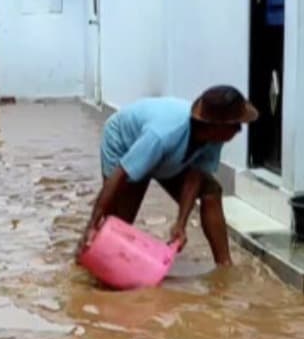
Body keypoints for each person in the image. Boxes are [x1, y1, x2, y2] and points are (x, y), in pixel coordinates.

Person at [79, 86, 258, 268]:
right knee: (116, 224)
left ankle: (224, 264)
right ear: (216, 125)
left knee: (211, 191)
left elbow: (195, 176)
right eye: (235, 125)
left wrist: (180, 224)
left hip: (169, 156)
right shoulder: (162, 135)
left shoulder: (214, 138)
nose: (239, 130)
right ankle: (84, 259)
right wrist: (93, 223)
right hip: (125, 143)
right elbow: (120, 175)